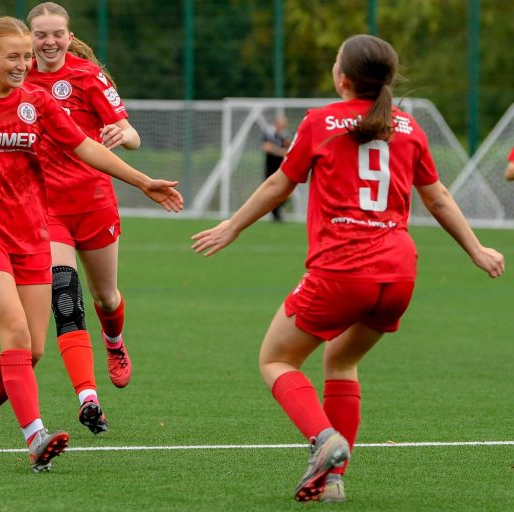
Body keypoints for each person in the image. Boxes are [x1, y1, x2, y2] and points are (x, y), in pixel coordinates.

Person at [192, 34, 504, 503]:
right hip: (398, 274)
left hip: (342, 271)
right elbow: (436, 197)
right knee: (342, 359)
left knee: (276, 359)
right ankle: (334, 480)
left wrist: (233, 226)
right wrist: (476, 248)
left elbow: (280, 183)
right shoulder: (408, 127)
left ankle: (325, 440)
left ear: (343, 78)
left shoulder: (320, 122)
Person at [0, 16, 182, 473]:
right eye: (14, 56)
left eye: (27, 56)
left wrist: (143, 181)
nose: (24, 64)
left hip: (28, 232)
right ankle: (36, 437)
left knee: (31, 351)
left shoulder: (38, 100)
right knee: (14, 332)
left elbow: (86, 147)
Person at [23, 1, 139, 436]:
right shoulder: (19, 76)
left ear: (69, 36)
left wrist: (122, 134)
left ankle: (115, 342)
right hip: (44, 208)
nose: (49, 41)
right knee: (65, 297)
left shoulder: (88, 76)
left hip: (94, 202)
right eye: (41, 34)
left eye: (57, 34)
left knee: (106, 297)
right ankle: (88, 397)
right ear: (29, 37)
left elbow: (131, 134)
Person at [261, 116, 292, 221]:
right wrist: (280, 151)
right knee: (271, 191)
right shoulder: (268, 133)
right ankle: (275, 214)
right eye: (281, 124)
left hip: (282, 167)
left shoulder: (285, 135)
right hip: (270, 167)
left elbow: (288, 150)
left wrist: (276, 150)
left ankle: (276, 212)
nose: (282, 127)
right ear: (276, 124)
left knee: (285, 193)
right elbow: (266, 148)